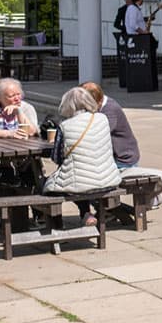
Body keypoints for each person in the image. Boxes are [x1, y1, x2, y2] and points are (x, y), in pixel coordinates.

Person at [43, 87, 122, 226]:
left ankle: (57, 229)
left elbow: (57, 158)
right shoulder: (102, 119)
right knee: (78, 178)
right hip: (109, 179)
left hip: (81, 183)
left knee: (49, 187)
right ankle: (85, 214)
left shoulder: (65, 126)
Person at [79, 82, 139, 169]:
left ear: (97, 101)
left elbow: (98, 135)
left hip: (122, 159)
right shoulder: (100, 106)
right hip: (112, 157)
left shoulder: (110, 110)